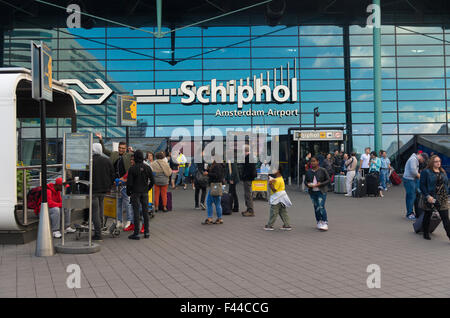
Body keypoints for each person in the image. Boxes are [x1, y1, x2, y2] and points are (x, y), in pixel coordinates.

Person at [95, 132, 133, 230]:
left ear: (126, 148)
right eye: (120, 148)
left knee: (128, 203)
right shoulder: (114, 154)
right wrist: (100, 139)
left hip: (125, 183)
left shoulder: (129, 156)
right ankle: (119, 221)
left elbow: (138, 158)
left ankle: (129, 221)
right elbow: (103, 150)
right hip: (115, 183)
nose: (121, 150)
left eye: (123, 148)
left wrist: (132, 151)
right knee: (118, 203)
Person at [419, 155, 450, 241]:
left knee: (445, 218)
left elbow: (446, 185)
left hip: (442, 197)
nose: (438, 163)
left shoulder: (442, 172)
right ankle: (425, 232)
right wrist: (427, 196)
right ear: (432, 162)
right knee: (427, 215)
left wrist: (448, 195)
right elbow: (422, 185)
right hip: (431, 197)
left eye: (439, 161)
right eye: (436, 161)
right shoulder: (426, 172)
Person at [126, 150, 154, 240]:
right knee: (145, 212)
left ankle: (136, 233)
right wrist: (148, 188)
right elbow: (153, 181)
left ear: (135, 157)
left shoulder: (132, 168)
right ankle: (146, 232)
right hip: (144, 193)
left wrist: (128, 192)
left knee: (136, 212)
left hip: (135, 192)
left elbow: (129, 183)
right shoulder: (147, 167)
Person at [91, 143, 115, 241]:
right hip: (104, 189)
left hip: (93, 189)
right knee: (100, 208)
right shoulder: (107, 160)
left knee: (95, 212)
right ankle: (100, 227)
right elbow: (112, 174)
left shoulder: (90, 161)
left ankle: (98, 233)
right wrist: (109, 185)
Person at [304, 157, 331, 231]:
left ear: (318, 162)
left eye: (314, 161)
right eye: (311, 161)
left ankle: (325, 222)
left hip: (321, 191)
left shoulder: (322, 170)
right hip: (312, 192)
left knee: (321, 206)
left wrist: (320, 184)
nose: (312, 163)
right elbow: (305, 181)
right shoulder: (308, 171)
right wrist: (308, 184)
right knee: (316, 207)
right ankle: (319, 221)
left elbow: (328, 179)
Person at [264, 166, 292, 231]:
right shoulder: (280, 178)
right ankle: (287, 225)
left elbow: (274, 190)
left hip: (277, 198)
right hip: (282, 198)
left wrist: (270, 184)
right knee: (282, 211)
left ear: (278, 171)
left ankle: (270, 225)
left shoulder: (277, 180)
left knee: (273, 211)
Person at [201, 159, 225, 225]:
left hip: (215, 185)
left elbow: (217, 175)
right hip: (215, 185)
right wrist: (208, 170)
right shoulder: (219, 165)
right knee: (213, 202)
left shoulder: (217, 165)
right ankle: (217, 218)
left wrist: (208, 173)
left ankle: (212, 218)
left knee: (213, 202)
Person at [403, 152, 425, 220]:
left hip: (411, 179)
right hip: (410, 180)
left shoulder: (414, 159)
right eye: (423, 160)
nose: (422, 161)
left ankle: (415, 212)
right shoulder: (413, 159)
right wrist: (421, 177)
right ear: (421, 156)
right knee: (411, 196)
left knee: (413, 196)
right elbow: (414, 172)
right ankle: (409, 214)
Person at [241, 145, 257, 217]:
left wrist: (244, 176)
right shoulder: (250, 157)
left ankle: (250, 210)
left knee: (248, 194)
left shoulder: (248, 158)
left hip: (247, 179)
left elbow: (248, 169)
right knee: (247, 194)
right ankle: (248, 209)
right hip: (248, 178)